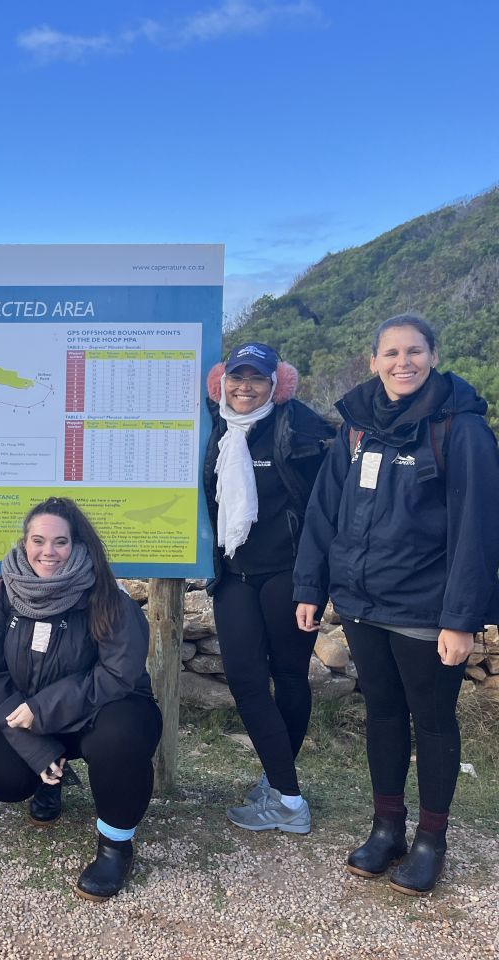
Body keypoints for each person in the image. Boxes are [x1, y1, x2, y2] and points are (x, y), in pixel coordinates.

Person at [294, 313, 499, 896]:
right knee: (382, 715)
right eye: (391, 353)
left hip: (425, 611)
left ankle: (432, 840)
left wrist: (461, 620)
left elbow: (478, 531)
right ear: (373, 361)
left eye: (414, 351)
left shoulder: (462, 430)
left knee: (432, 722)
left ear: (434, 355)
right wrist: (310, 586)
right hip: (361, 604)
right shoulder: (356, 428)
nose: (402, 362)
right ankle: (387, 827)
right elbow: (322, 510)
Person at [0, 497, 162, 902]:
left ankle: (115, 847)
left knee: (120, 738)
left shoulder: (108, 595)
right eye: (38, 541)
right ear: (24, 542)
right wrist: (32, 744)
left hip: (101, 712)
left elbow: (118, 673)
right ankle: (47, 780)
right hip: (26, 719)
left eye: (60, 542)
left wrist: (43, 709)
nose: (47, 552)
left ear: (78, 544)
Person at [202, 342, 334, 833]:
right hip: (233, 574)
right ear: (221, 381)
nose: (245, 387)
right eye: (237, 377)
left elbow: (324, 511)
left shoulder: (299, 428)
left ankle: (286, 797)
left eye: (257, 379)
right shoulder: (214, 428)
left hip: (288, 574)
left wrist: (313, 583)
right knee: (246, 681)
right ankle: (282, 785)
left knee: (291, 677)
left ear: (276, 383)